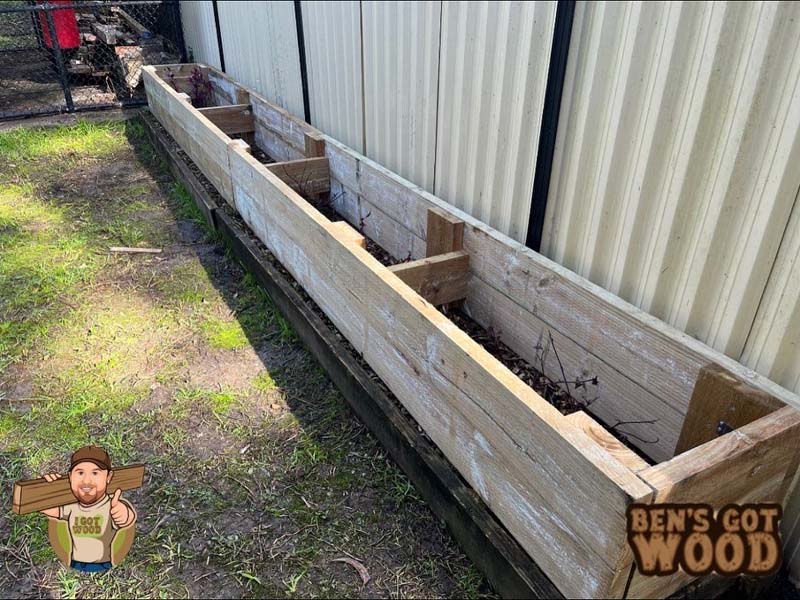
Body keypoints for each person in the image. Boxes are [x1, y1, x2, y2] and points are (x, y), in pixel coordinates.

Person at [40, 445, 136, 572]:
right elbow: (45, 507)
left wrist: (123, 513)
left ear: (108, 477)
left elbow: (126, 518)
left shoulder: (110, 505)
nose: (86, 480)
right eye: (80, 473)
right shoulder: (72, 506)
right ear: (70, 477)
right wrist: (43, 488)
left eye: (95, 473)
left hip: (102, 565)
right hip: (75, 564)